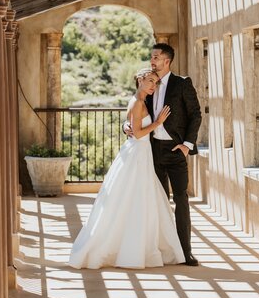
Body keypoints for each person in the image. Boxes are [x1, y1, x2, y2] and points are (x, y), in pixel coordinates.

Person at [69, 68, 185, 269]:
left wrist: (127, 125)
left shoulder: (142, 100)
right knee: (130, 197)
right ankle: (128, 249)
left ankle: (142, 245)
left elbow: (131, 125)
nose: (153, 85)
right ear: (140, 80)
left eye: (155, 82)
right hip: (137, 152)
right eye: (150, 81)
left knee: (141, 198)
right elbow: (139, 134)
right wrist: (158, 123)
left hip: (142, 153)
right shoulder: (138, 102)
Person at [126, 43, 202, 266]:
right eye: (152, 57)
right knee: (156, 202)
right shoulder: (148, 82)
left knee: (181, 199)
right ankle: (159, 249)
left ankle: (185, 252)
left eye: (156, 57)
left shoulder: (182, 84)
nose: (152, 61)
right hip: (151, 151)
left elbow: (196, 115)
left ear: (167, 61)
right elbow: (135, 109)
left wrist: (187, 144)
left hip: (175, 150)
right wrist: (125, 126)